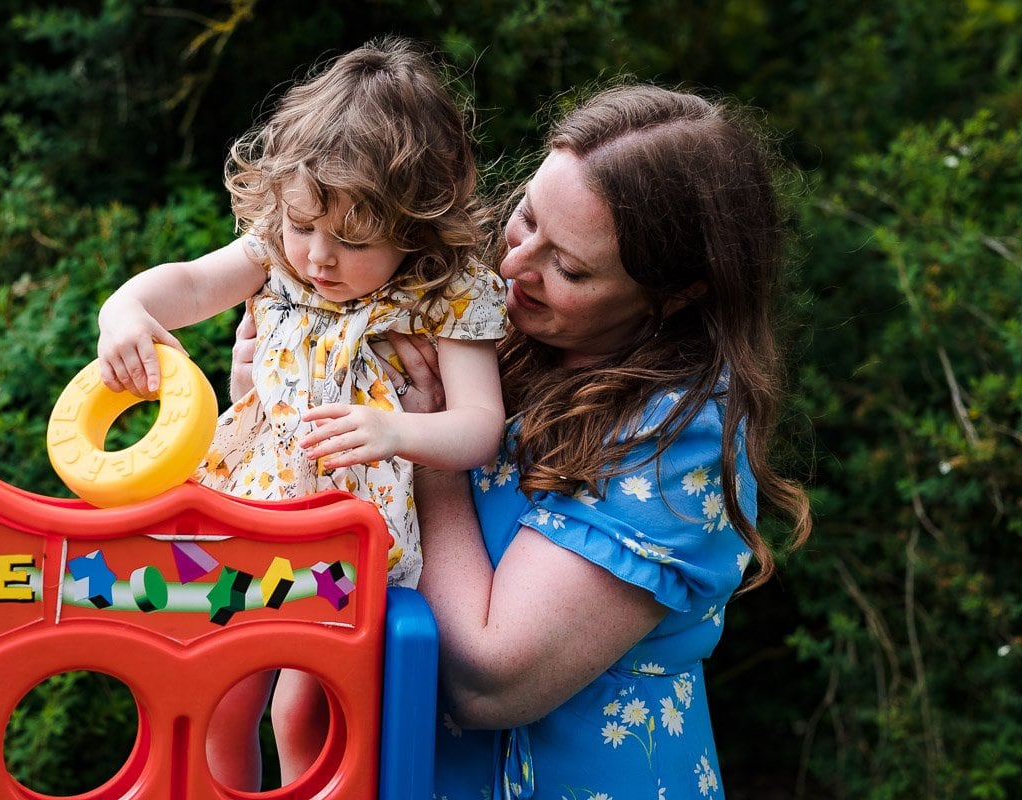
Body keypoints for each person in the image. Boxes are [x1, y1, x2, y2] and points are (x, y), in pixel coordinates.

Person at [229, 82, 813, 798]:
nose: (514, 268)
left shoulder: (680, 434)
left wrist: (431, 451)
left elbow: (488, 681)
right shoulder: (481, 319)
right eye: (525, 218)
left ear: (675, 293)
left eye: (569, 267)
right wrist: (272, 390)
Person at [96, 37, 507, 790]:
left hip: (351, 536)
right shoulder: (275, 256)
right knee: (219, 693)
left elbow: (480, 424)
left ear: (414, 227)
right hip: (245, 515)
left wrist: (399, 431)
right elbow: (186, 286)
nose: (318, 256)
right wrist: (124, 308)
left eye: (352, 239)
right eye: (302, 224)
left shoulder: (445, 295)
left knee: (305, 711)